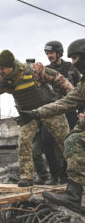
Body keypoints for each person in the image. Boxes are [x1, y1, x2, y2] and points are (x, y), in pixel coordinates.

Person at [0, 50, 73, 187]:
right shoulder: (3, 82)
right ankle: (26, 177)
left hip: (48, 109)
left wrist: (77, 101)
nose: (0, 71)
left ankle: (79, 175)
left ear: (11, 66)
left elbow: (60, 80)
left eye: (2, 68)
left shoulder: (35, 70)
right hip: (28, 114)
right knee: (23, 143)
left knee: (66, 141)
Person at [24, 38, 85, 213]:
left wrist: (81, 111)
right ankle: (70, 190)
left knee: (73, 141)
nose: (74, 62)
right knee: (70, 140)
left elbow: (70, 94)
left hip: (71, 115)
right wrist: (37, 113)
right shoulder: (82, 83)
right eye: (71, 58)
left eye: (76, 58)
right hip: (57, 113)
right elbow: (68, 100)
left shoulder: (69, 70)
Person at [33, 40, 81, 185]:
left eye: (51, 53)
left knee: (68, 144)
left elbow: (80, 91)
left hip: (70, 112)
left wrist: (81, 111)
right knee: (47, 143)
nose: (49, 56)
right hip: (52, 113)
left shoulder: (71, 68)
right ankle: (54, 176)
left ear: (59, 53)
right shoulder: (45, 70)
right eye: (47, 53)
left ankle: (66, 176)